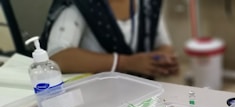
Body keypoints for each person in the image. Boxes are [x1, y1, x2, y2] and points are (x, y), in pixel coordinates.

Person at [40, 0, 178, 78]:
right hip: (97, 98)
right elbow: (58, 57)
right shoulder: (79, 5)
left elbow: (163, 44)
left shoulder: (147, 3)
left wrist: (161, 60)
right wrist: (126, 63)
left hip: (143, 94)